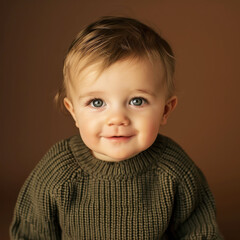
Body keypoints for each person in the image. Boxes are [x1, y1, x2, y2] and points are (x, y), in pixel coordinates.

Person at [10, 16, 223, 239]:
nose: (118, 119)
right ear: (73, 112)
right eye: (97, 103)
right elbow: (31, 232)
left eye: (137, 101)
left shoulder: (173, 169)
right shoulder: (59, 170)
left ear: (165, 110)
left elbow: (200, 232)